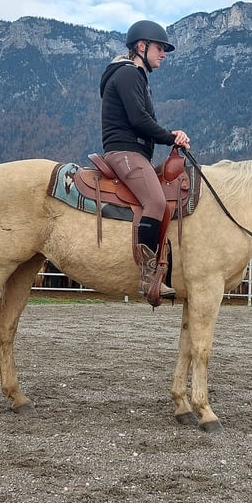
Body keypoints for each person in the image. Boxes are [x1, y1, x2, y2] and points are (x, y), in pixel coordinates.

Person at [99, 20, 191, 300]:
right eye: (159, 48)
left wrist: (169, 135)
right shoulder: (128, 74)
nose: (163, 54)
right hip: (125, 153)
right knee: (156, 202)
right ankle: (149, 276)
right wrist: (170, 137)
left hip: (135, 152)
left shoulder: (135, 76)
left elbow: (143, 120)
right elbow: (139, 120)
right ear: (142, 46)